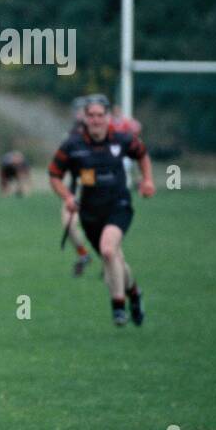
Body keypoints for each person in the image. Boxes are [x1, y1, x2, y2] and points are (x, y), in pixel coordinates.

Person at [48, 95, 154, 327]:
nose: (96, 120)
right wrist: (66, 196)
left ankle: (118, 306)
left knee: (108, 251)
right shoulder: (72, 145)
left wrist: (147, 180)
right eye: (91, 116)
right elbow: (54, 174)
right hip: (89, 213)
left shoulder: (123, 139)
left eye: (100, 115)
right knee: (115, 260)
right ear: (84, 118)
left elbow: (142, 154)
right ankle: (134, 294)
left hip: (118, 206)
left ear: (108, 117)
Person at [60, 96, 93, 276]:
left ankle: (111, 261)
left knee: (100, 231)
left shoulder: (97, 134)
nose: (78, 113)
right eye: (77, 110)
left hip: (95, 188)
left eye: (82, 109)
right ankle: (84, 255)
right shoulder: (71, 134)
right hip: (74, 188)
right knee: (68, 223)